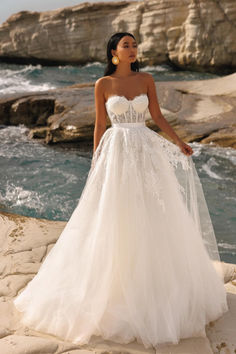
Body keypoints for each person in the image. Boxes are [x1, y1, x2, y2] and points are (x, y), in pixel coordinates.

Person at [13, 32, 229, 349]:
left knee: (152, 211)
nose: (132, 49)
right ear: (114, 52)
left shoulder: (147, 79)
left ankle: (152, 282)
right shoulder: (103, 85)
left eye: (134, 45)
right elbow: (100, 125)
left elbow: (156, 115)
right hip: (116, 151)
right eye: (126, 45)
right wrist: (96, 159)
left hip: (143, 149)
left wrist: (180, 142)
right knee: (114, 214)